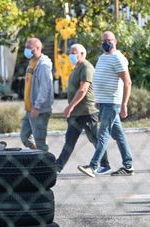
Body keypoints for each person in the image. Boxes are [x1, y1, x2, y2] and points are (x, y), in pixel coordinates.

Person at [77, 31, 134, 177]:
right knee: (119, 135)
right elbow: (99, 79)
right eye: (103, 41)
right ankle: (128, 166)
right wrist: (98, 99)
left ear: (115, 41)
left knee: (103, 134)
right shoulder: (102, 57)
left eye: (109, 40)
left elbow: (127, 82)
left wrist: (124, 104)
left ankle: (93, 166)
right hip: (103, 102)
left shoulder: (118, 58)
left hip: (112, 102)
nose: (106, 43)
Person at [55, 43, 111, 174]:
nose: (71, 55)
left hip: (87, 111)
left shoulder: (86, 67)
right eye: (70, 52)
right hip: (76, 113)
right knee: (70, 140)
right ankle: (58, 166)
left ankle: (105, 164)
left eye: (74, 52)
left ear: (82, 54)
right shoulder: (76, 68)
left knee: (95, 138)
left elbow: (83, 89)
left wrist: (70, 106)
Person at [20, 38, 54, 151]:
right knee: (25, 136)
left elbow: (45, 88)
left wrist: (37, 106)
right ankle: (37, 156)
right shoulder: (31, 63)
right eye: (26, 47)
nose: (27, 50)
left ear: (38, 48)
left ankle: (47, 164)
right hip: (30, 108)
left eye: (30, 48)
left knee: (40, 141)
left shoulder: (43, 65)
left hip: (39, 110)